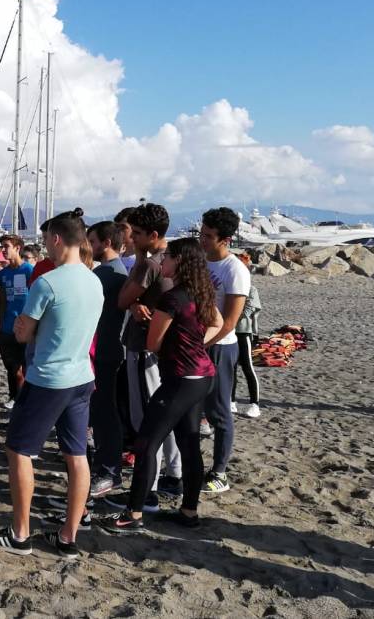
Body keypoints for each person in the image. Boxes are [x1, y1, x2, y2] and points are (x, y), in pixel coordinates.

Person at [0, 213, 103, 559]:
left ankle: (20, 534)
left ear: (57, 239)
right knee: (76, 456)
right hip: (82, 376)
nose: (45, 243)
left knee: (19, 451)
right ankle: (68, 536)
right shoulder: (93, 280)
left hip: (49, 378)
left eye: (47, 236)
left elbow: (24, 332)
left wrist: (24, 326)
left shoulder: (47, 282)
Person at [97, 238, 222, 533]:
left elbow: (153, 343)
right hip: (202, 376)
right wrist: (195, 345)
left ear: (179, 261)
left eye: (167, 257)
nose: (162, 262)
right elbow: (218, 323)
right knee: (189, 443)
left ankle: (134, 513)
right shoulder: (202, 292)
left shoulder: (172, 298)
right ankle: (189, 512)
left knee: (146, 443)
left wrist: (147, 319)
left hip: (179, 379)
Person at [111, 203, 181, 510]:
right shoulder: (178, 259)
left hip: (143, 346)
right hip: (169, 347)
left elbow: (122, 298)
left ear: (153, 235)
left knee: (144, 420)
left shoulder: (149, 265)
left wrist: (131, 301)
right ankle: (173, 475)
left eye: (136, 233)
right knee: (167, 415)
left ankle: (146, 490)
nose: (132, 238)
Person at [198, 207, 250, 494]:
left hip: (220, 348)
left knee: (219, 412)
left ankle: (219, 472)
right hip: (196, 344)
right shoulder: (201, 263)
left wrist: (201, 345)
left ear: (225, 239)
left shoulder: (235, 270)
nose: (202, 240)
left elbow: (230, 321)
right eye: (201, 234)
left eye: (208, 236)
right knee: (192, 409)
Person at [86, 221, 129, 496]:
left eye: (93, 241)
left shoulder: (108, 273)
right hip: (105, 350)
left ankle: (109, 471)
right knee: (102, 412)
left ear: (107, 243)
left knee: (106, 413)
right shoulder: (112, 271)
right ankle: (106, 466)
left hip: (107, 352)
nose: (90, 247)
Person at [0, 235, 33, 408]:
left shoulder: (29, 270)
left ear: (17, 248)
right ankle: (15, 398)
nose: (3, 250)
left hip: (25, 328)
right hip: (6, 329)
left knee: (22, 371)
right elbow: (2, 301)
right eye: (2, 246)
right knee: (12, 369)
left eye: (6, 246)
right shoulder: (3, 274)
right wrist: (1, 325)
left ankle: (22, 404)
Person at [232, 253, 263, 418]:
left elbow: (249, 310)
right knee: (231, 369)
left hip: (243, 332)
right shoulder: (228, 287)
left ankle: (254, 404)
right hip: (229, 332)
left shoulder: (251, 289)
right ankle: (231, 401)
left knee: (248, 367)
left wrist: (232, 313)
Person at [114, 207, 137, 272]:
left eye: (123, 227)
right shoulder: (116, 255)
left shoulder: (146, 259)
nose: (118, 231)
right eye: (116, 227)